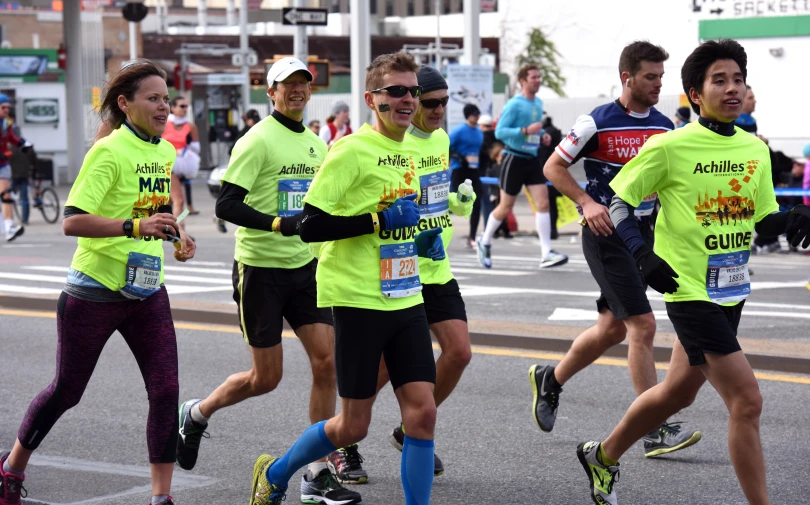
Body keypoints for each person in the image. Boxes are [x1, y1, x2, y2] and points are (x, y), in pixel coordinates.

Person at [577, 38, 810, 505]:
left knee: (676, 394)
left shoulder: (755, 150)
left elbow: (760, 220)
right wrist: (642, 255)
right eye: (718, 80)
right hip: (688, 291)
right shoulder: (670, 146)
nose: (731, 89)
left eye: (738, 80)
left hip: (732, 289)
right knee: (746, 401)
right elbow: (619, 201)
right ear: (695, 94)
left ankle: (602, 455)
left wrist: (794, 218)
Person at [247, 51, 445, 505]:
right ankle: (275, 473)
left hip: (405, 294)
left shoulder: (410, 150)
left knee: (423, 413)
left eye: (412, 90)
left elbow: (399, 218)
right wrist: (376, 223)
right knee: (353, 425)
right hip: (358, 300)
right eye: (395, 91)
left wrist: (421, 236)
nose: (407, 99)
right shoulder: (351, 150)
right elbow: (310, 224)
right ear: (372, 98)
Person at [0, 59, 196, 505]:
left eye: (166, 98)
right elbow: (72, 223)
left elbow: (154, 208)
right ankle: (11, 468)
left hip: (148, 290)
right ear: (125, 104)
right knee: (67, 390)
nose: (164, 107)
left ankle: (160, 497)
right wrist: (134, 228)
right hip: (94, 291)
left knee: (166, 391)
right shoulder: (108, 152)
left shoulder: (163, 151)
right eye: (153, 99)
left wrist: (177, 233)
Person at [175, 57, 360, 505]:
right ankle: (197, 413)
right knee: (266, 378)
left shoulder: (318, 144)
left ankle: (316, 472)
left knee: (326, 362)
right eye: (287, 84)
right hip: (259, 269)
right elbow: (225, 205)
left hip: (305, 269)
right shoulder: (256, 140)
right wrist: (276, 223)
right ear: (270, 92)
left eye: (303, 84)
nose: (297, 90)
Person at [531, 41, 701, 461]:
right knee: (642, 326)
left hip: (642, 237)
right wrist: (586, 203)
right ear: (627, 77)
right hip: (605, 234)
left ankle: (551, 379)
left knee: (611, 329)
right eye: (650, 76)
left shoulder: (664, 127)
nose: (659, 84)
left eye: (662, 76)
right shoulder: (597, 122)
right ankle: (653, 427)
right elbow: (552, 167)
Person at [376, 64, 475, 478]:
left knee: (459, 352)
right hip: (400, 268)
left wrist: (455, 201)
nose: (437, 110)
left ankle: (406, 430)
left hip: (436, 267)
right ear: (412, 100)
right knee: (378, 369)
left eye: (443, 102)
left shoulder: (440, 139)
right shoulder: (392, 143)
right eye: (430, 102)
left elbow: (431, 196)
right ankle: (343, 440)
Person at [477, 64, 568, 269]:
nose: (538, 80)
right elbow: (500, 132)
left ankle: (546, 253)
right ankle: (485, 240)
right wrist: (525, 130)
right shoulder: (514, 104)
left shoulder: (538, 102)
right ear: (523, 81)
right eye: (533, 77)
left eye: (539, 77)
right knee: (505, 206)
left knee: (543, 203)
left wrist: (541, 135)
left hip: (532, 158)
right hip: (514, 158)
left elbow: (533, 131)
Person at [449, 103, 484, 248]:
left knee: (477, 203)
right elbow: (447, 146)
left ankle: (471, 237)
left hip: (474, 171)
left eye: (478, 115)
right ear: (468, 115)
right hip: (459, 170)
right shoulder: (459, 131)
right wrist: (461, 158)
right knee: (458, 202)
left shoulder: (479, 132)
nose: (477, 117)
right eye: (474, 115)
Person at [164, 96, 201, 215]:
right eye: (182, 106)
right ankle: (177, 228)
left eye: (186, 106)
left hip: (184, 164)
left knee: (171, 201)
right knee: (178, 200)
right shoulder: (164, 124)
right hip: (167, 165)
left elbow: (196, 148)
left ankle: (173, 228)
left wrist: (188, 145)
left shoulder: (190, 126)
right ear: (173, 108)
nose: (185, 109)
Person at [0, 93, 26, 241]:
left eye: (8, 108)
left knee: (6, 195)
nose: (6, 110)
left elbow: (11, 138)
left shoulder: (6, 122)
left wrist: (22, 143)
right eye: (3, 107)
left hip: (2, 165)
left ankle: (9, 228)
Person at [8, 124, 35, 225]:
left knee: (8, 196)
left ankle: (8, 218)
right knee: (24, 197)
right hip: (25, 174)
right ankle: (25, 219)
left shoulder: (10, 146)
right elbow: (33, 158)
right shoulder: (27, 144)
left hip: (13, 175)